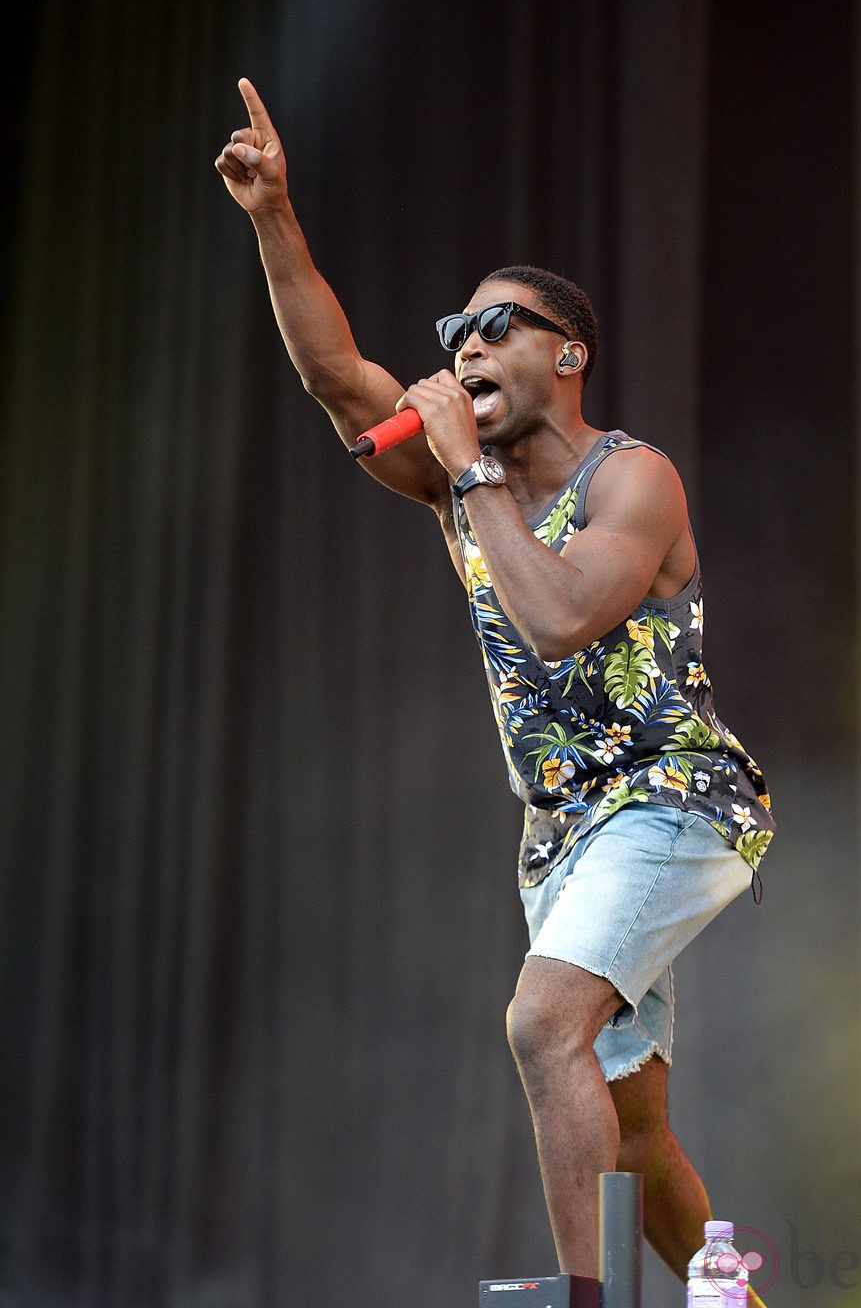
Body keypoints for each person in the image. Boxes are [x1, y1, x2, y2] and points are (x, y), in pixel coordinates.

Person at [216, 78, 775, 1305]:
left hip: (672, 796)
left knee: (537, 1024)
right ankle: (733, 1294)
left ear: (565, 351)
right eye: (450, 331)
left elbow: (563, 616)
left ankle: (575, 1297)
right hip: (561, 831)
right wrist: (274, 217)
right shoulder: (463, 484)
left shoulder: (636, 479)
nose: (461, 346)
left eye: (494, 324)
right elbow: (332, 374)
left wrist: (464, 469)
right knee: (630, 1130)